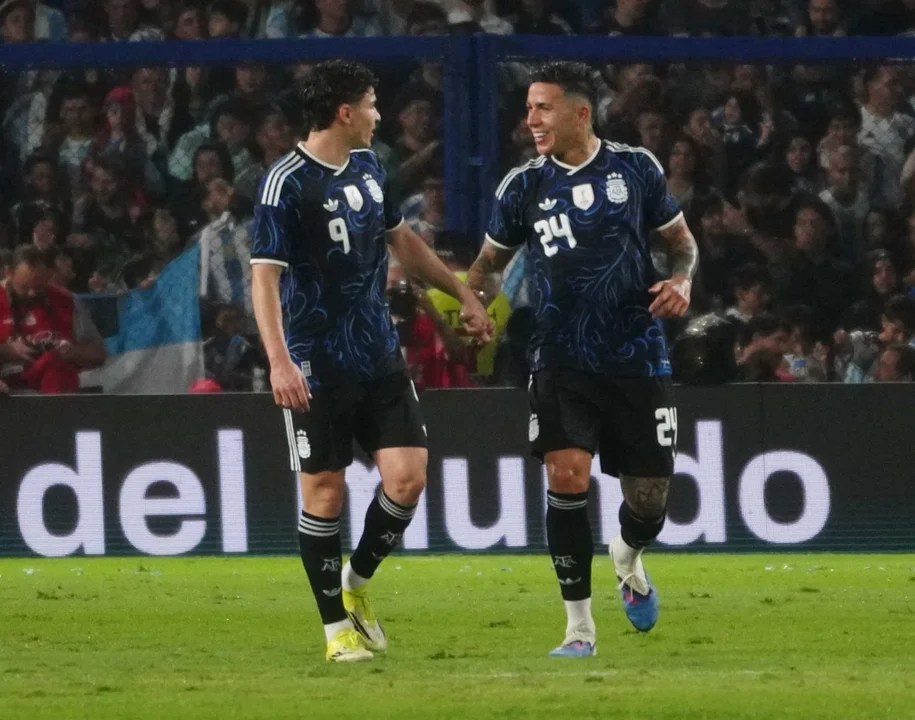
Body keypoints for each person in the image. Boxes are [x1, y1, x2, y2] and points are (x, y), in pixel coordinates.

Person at [249, 60, 492, 663]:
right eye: (373, 103)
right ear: (344, 111)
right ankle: (336, 632)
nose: (379, 114)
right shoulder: (286, 182)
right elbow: (263, 282)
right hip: (315, 365)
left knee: (408, 479)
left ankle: (355, 584)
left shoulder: (367, 165)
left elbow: (401, 240)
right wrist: (280, 362)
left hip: (378, 354)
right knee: (324, 491)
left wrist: (460, 290)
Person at [466, 62, 698, 657]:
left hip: (636, 353)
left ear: (580, 112)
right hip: (559, 354)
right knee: (565, 476)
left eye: (543, 107)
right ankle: (579, 629)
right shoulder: (522, 186)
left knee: (649, 500)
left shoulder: (636, 168)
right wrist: (475, 301)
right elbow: (488, 265)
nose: (531, 119)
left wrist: (684, 282)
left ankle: (628, 555)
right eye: (528, 107)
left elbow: (682, 245)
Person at [0, 245, 107, 393]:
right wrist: (6, 350)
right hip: (8, 392)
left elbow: (99, 354)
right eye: (24, 287)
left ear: (48, 275)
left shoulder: (66, 301)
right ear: (8, 273)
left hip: (56, 388)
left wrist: (73, 352)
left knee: (53, 363)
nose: (32, 293)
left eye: (38, 287)